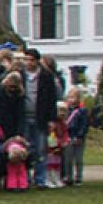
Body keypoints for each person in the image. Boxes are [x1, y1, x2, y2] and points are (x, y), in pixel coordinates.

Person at [19, 48, 60, 188]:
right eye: (26, 60)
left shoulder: (46, 76)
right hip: (23, 116)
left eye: (31, 60)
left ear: (37, 61)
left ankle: (40, 179)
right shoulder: (19, 75)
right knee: (24, 148)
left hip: (40, 118)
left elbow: (51, 99)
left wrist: (51, 119)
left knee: (41, 149)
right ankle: (24, 178)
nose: (28, 63)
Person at [62, 87, 90, 187]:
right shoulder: (66, 110)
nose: (70, 99)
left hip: (78, 138)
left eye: (72, 97)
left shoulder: (82, 111)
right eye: (69, 97)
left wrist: (80, 136)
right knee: (68, 159)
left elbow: (84, 124)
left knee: (78, 159)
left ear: (78, 98)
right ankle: (68, 177)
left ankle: (78, 178)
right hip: (68, 137)